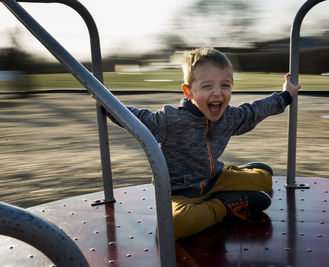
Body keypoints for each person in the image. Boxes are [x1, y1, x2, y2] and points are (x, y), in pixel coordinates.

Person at [105, 47, 300, 239]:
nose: (218, 93)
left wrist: (285, 96)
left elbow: (255, 111)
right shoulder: (171, 120)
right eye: (207, 86)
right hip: (179, 192)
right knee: (176, 225)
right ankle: (224, 204)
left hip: (214, 179)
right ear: (188, 92)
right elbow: (137, 119)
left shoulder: (229, 116)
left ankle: (235, 175)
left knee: (265, 180)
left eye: (225, 85)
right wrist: (106, 102)